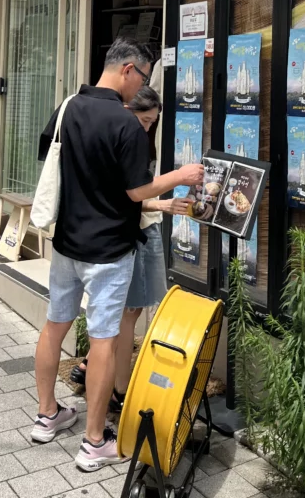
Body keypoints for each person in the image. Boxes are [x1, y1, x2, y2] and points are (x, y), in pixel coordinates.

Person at [30, 39, 203, 472]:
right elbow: (135, 192)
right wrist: (179, 176)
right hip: (108, 250)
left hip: (67, 243)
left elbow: (50, 157)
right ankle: (93, 442)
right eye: (143, 77)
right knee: (104, 340)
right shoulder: (125, 125)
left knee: (55, 326)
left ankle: (47, 415)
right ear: (128, 70)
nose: (142, 85)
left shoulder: (70, 106)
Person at [68, 86, 188, 405]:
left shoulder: (106, 134)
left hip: (113, 234)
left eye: (152, 123)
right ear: (126, 109)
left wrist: (157, 204)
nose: (147, 128)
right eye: (145, 120)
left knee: (121, 316)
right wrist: (167, 193)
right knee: (127, 316)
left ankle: (96, 368)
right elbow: (129, 195)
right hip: (132, 235)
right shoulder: (126, 136)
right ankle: (119, 391)